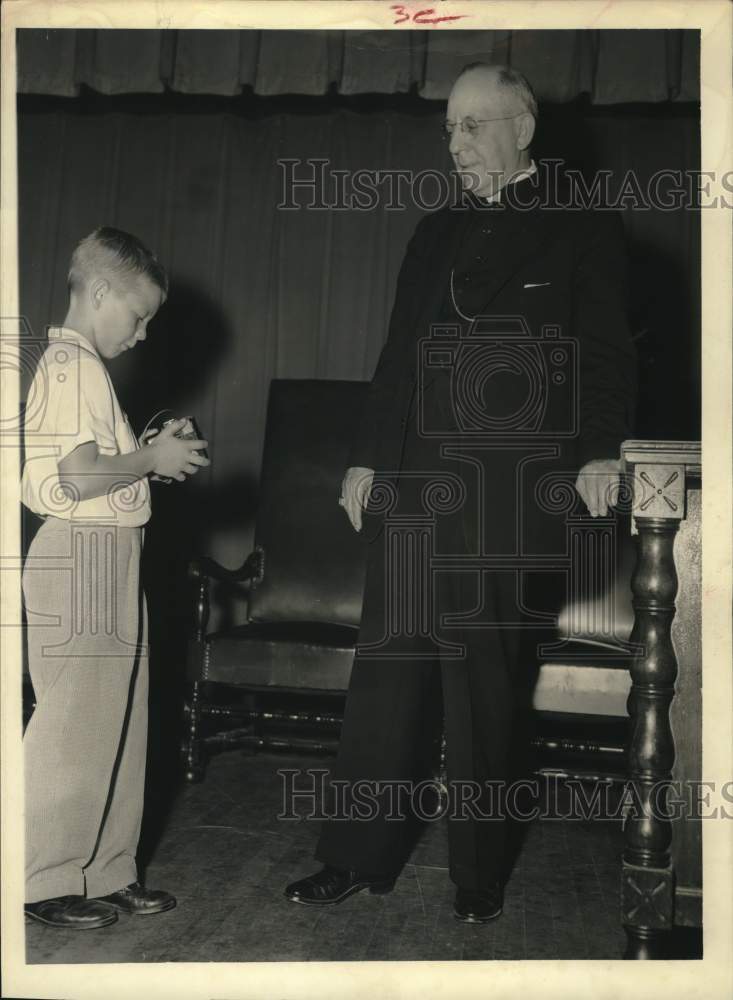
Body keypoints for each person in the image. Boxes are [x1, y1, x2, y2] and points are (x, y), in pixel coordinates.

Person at [284, 63, 637, 923]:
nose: (456, 142)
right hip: (412, 483)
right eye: (449, 129)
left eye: (473, 125)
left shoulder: (581, 227)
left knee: (483, 685)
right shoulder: (433, 230)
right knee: (388, 674)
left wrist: (598, 456)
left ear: (522, 128)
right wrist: (366, 460)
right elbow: (397, 355)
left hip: (507, 492)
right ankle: (355, 854)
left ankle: (478, 873)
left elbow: (607, 356)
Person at [21, 227, 210, 929]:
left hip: (108, 551)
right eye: (138, 316)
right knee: (75, 726)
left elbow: (101, 465)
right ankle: (41, 877)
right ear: (99, 292)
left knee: (120, 720)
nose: (143, 333)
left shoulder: (83, 370)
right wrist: (152, 460)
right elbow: (77, 478)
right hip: (83, 554)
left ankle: (104, 869)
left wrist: (151, 444)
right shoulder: (73, 366)